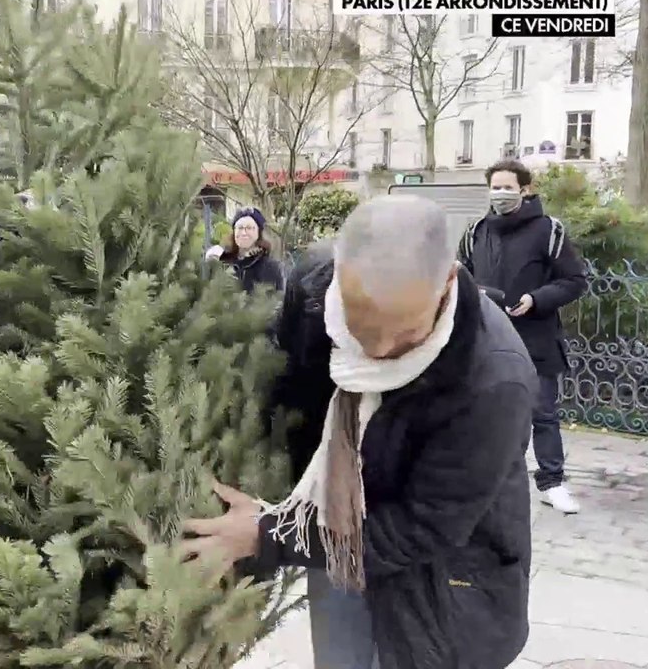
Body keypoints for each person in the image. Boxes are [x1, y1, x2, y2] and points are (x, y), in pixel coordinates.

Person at [182, 196, 535, 669]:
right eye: (361, 326)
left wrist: (268, 536)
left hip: (440, 583)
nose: (379, 351)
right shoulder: (313, 292)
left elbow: (425, 527)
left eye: (403, 333)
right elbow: (289, 402)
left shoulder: (494, 379)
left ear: (447, 283)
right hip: (332, 537)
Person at [458, 158, 588, 514]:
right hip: (488, 340)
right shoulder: (476, 232)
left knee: (543, 414)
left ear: (524, 190)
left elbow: (575, 281)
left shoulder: (549, 231)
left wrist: (536, 299)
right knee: (488, 414)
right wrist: (474, 294)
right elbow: (461, 276)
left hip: (537, 339)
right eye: (495, 187)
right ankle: (490, 482)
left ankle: (552, 483)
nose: (500, 194)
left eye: (507, 187)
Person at [204, 207, 285, 292]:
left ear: (259, 232)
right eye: (240, 228)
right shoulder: (224, 264)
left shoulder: (271, 268)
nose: (243, 233)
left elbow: (278, 297)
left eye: (249, 228)